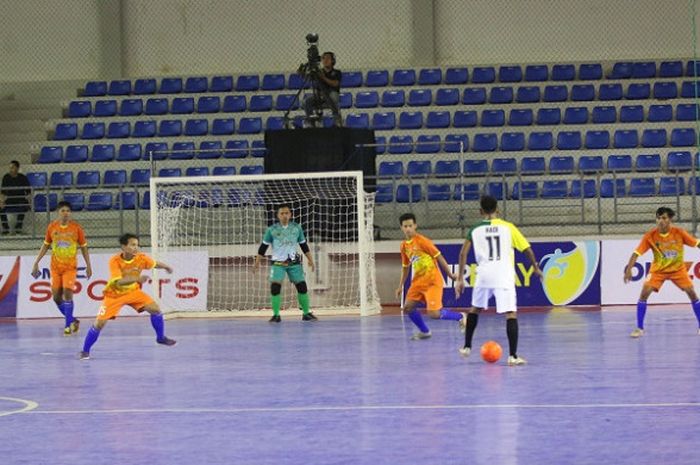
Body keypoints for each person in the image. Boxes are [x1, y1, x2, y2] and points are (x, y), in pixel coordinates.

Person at [454, 196, 542, 366]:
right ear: (498, 210)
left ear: (480, 211)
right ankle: (513, 356)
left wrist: (459, 279)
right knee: (510, 314)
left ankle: (466, 347)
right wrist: (535, 267)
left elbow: (462, 254)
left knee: (475, 309)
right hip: (504, 275)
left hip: (484, 275)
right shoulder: (508, 227)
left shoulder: (474, 229)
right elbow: (527, 249)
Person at [79, 233, 176, 360]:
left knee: (155, 309)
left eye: (137, 245)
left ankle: (160, 338)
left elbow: (154, 263)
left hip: (133, 292)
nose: (136, 247)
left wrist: (166, 267)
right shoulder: (115, 261)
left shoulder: (141, 258)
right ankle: (85, 351)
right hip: (114, 294)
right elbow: (119, 282)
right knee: (99, 324)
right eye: (132, 245)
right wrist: (138, 278)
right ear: (124, 247)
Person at [623, 207, 700, 338]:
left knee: (692, 293)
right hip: (658, 270)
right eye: (658, 218)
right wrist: (629, 270)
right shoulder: (650, 236)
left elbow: (697, 243)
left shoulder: (679, 233)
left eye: (664, 218)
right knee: (644, 293)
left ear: (670, 219)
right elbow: (636, 254)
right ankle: (639, 328)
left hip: (678, 270)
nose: (660, 221)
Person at [395, 213, 464, 340]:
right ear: (401, 228)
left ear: (415, 225)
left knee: (434, 313)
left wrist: (449, 274)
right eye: (405, 226)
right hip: (417, 283)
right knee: (408, 308)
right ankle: (425, 331)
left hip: (432, 281)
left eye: (410, 225)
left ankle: (460, 317)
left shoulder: (423, 241)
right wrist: (400, 286)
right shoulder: (404, 246)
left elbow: (439, 257)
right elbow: (405, 267)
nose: (408, 228)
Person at [31, 201, 92, 336]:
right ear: (58, 212)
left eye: (68, 211)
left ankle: (67, 326)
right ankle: (73, 320)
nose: (66, 213)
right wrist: (36, 262)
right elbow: (46, 245)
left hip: (70, 267)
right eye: (63, 211)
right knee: (56, 298)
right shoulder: (52, 227)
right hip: (55, 267)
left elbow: (84, 247)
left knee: (68, 292)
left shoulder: (76, 228)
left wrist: (88, 265)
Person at [253, 204, 317, 322]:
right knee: (275, 287)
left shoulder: (297, 228)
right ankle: (276, 315)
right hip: (278, 264)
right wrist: (257, 262)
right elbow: (263, 247)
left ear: (290, 214)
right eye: (282, 213)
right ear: (278, 215)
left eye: (286, 213)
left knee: (302, 287)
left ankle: (306, 313)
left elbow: (303, 245)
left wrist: (310, 260)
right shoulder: (271, 230)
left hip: (294, 263)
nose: (284, 215)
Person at [303, 51, 342, 127]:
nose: (325, 60)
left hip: (331, 95)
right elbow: (314, 85)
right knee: (306, 101)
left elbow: (335, 84)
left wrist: (323, 77)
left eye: (328, 58)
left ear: (333, 61)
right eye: (323, 58)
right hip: (321, 96)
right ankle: (311, 121)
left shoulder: (337, 72)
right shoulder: (318, 72)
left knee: (333, 95)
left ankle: (336, 120)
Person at [1, 160, 31, 235]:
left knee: (25, 206)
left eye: (12, 168)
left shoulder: (22, 178)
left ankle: (18, 227)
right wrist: (2, 201)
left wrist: (29, 201)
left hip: (20, 199)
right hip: (10, 199)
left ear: (17, 168)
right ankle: (5, 228)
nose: (11, 169)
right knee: (0, 208)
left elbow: (28, 191)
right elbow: (2, 192)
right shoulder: (6, 177)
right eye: (10, 168)